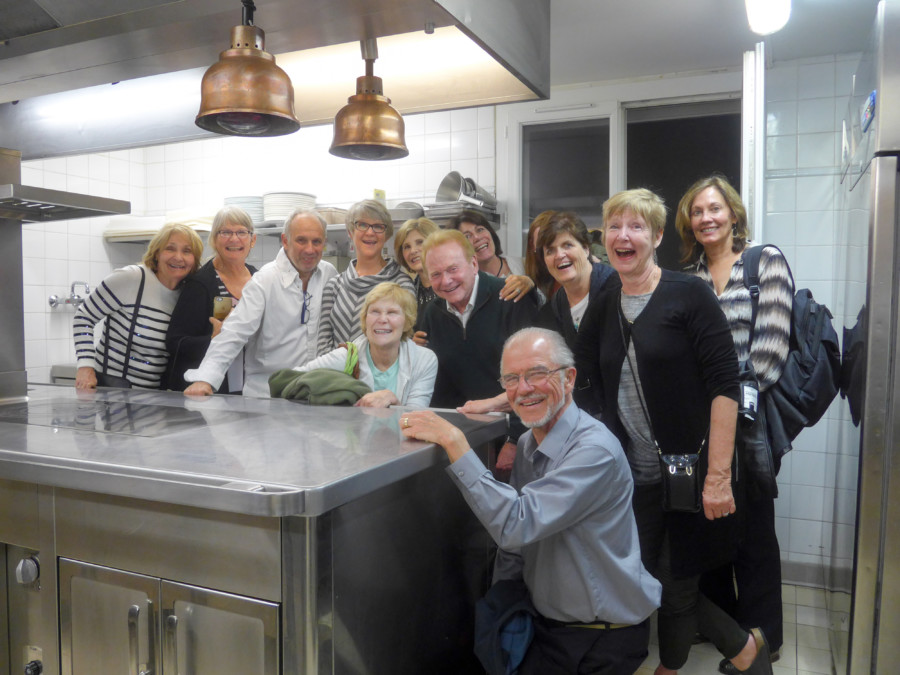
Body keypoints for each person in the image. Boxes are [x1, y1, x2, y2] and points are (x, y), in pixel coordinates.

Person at [574, 188, 773, 675]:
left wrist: (719, 476)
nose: (624, 236)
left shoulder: (689, 293)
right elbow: (580, 376)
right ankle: (746, 649)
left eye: (637, 226)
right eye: (615, 226)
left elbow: (726, 385)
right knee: (644, 574)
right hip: (634, 472)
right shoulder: (605, 301)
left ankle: (677, 666)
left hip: (694, 469)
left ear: (657, 236)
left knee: (676, 577)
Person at [400, 328, 662, 674]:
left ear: (569, 379)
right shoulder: (527, 443)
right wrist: (501, 605)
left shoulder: (593, 451)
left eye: (537, 373)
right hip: (547, 626)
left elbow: (517, 523)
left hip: (601, 637)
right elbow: (516, 549)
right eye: (512, 378)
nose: (524, 388)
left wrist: (454, 441)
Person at [676, 175, 792, 673]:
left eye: (714, 209)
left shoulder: (763, 260)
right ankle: (723, 627)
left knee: (755, 529)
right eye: (697, 211)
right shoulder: (689, 277)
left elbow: (770, 348)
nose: (706, 218)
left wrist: (730, 396)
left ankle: (764, 636)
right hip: (705, 421)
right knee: (713, 523)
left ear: (733, 214)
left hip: (751, 418)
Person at [182, 209, 337, 398]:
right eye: (301, 240)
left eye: (317, 242)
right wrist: (206, 379)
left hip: (313, 392)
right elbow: (234, 332)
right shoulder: (265, 280)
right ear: (286, 241)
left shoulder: (329, 274)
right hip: (268, 397)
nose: (309, 249)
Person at [418, 229, 538, 472]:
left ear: (473, 263)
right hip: (460, 439)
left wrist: (516, 439)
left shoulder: (512, 298)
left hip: (515, 435)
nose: (446, 281)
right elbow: (437, 383)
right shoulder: (432, 313)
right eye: (436, 274)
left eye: (453, 269)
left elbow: (533, 376)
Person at [74, 222, 202, 390]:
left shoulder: (187, 295)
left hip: (153, 398)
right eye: (170, 248)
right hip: (112, 393)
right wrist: (85, 366)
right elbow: (84, 316)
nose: (178, 257)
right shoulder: (132, 278)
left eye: (187, 251)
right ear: (157, 253)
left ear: (194, 260)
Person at [283, 282, 437, 407]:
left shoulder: (423, 360)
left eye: (392, 312)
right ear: (365, 320)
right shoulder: (347, 357)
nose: (382, 319)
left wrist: (394, 403)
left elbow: (417, 418)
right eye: (375, 311)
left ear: (407, 322)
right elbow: (288, 380)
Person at [166, 206, 258, 392]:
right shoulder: (200, 284)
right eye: (225, 232)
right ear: (214, 240)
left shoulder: (259, 279)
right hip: (207, 389)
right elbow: (175, 341)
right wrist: (212, 339)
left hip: (250, 386)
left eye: (241, 232)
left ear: (252, 240)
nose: (234, 239)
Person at [535, 211, 618, 413]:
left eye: (567, 245)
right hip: (585, 415)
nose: (559, 255)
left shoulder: (615, 288)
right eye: (550, 250)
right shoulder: (557, 303)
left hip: (621, 417)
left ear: (586, 248)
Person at [316, 199, 415, 355]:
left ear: (387, 235)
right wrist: (340, 371)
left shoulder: (402, 284)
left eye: (378, 226)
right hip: (336, 376)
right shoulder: (334, 285)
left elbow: (405, 343)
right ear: (350, 232)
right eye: (362, 225)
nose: (370, 232)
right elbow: (322, 345)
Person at [450, 210, 535, 303]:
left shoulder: (525, 265)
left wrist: (531, 285)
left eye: (480, 229)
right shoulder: (467, 286)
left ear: (491, 233)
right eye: (467, 236)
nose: (477, 237)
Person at [394, 216, 439, 310]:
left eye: (420, 242)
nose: (413, 251)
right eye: (407, 247)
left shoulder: (451, 286)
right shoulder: (408, 293)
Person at [524, 210, 559, 302]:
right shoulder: (527, 270)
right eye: (541, 241)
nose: (547, 247)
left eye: (551, 238)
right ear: (532, 245)